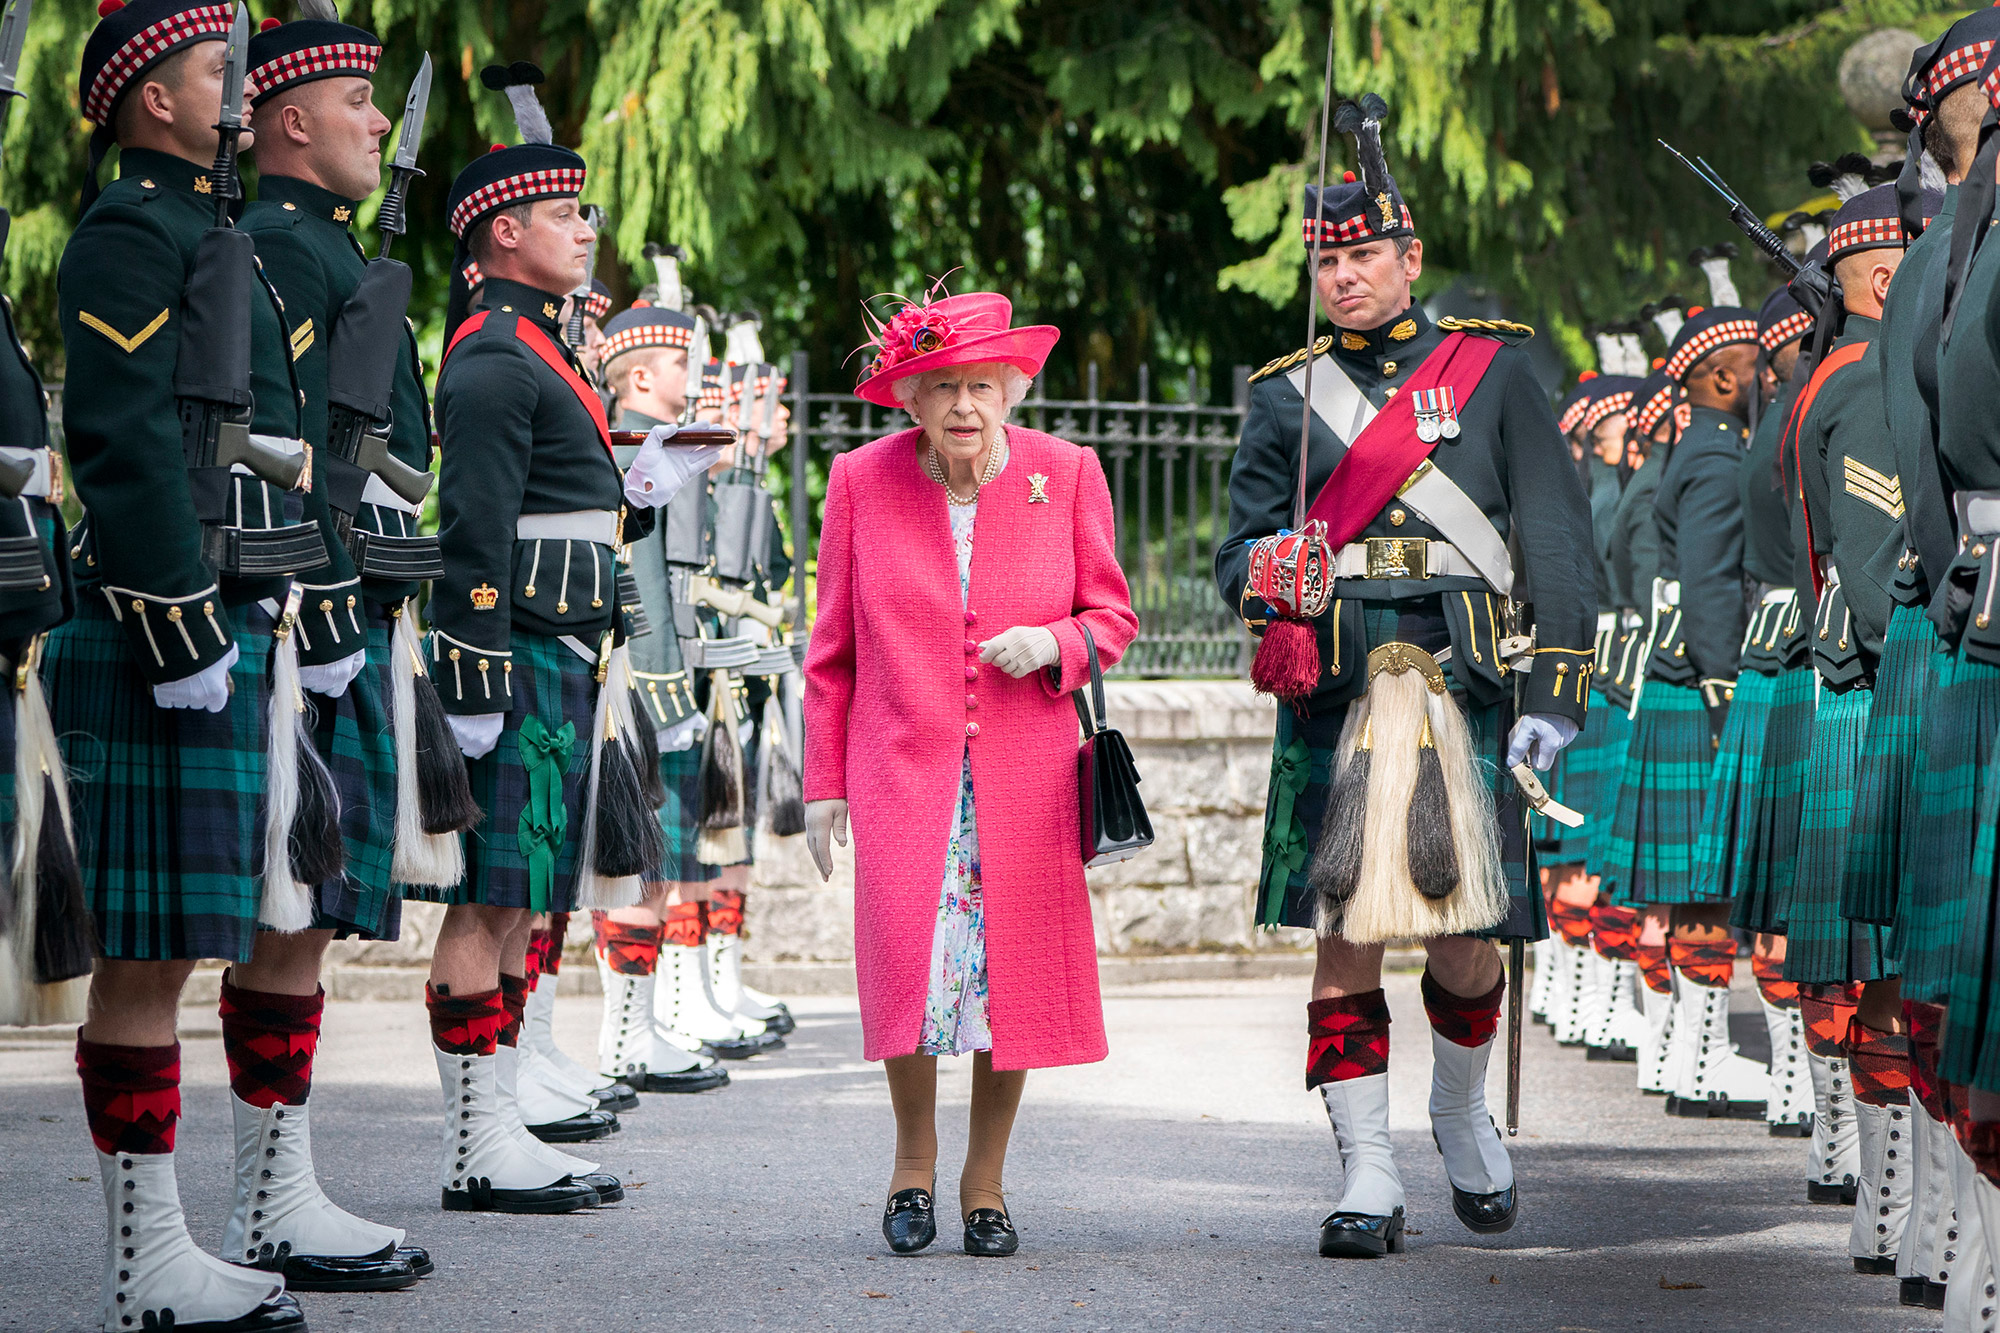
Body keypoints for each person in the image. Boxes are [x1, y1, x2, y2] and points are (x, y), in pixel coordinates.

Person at [1216, 97, 1594, 1259]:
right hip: (1335, 687)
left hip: (1465, 679)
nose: (1342, 277)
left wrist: (1554, 698)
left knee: (1466, 926)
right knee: (1343, 930)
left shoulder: (1492, 371)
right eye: (1324, 260)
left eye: (1362, 255)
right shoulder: (1286, 392)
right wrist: (1271, 571)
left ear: (1408, 257)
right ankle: (1366, 1167)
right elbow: (1233, 553)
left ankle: (1456, 1109)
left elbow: (1560, 543)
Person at [49, 1, 367, 1326]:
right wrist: (180, 621)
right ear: (151, 101)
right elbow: (122, 438)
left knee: (207, 938)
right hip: (159, 627)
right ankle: (143, 1262)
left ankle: (192, 1237)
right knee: (148, 957)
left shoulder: (213, 230)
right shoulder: (134, 231)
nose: (234, 96)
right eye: (207, 75)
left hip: (245, 611)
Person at [416, 62, 711, 1215]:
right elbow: (473, 530)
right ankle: (473, 1145)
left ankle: (497, 1128)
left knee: (520, 895)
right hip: (518, 649)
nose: (584, 230)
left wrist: (646, 477)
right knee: (487, 902)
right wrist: (471, 672)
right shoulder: (493, 351)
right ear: (501, 230)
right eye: (560, 214)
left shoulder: (542, 346)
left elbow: (576, 504)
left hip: (566, 644)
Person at [802, 287, 1136, 1258]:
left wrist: (1056, 642)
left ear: (1010, 390)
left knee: (1006, 980)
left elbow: (1112, 618)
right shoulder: (860, 481)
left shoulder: (1064, 473)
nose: (961, 405)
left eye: (980, 386)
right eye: (940, 386)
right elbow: (830, 654)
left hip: (1026, 783)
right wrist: (823, 782)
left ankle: (983, 1184)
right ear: (908, 398)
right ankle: (912, 1165)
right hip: (900, 772)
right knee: (911, 967)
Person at [229, 13, 445, 1292]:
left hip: (346, 597)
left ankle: (279, 1190)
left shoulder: (332, 253)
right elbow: (275, 432)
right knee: (285, 910)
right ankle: (270, 1201)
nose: (377, 122)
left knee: (303, 916)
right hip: (298, 604)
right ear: (289, 120)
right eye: (354, 100)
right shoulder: (268, 245)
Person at [1603, 299, 1770, 1118]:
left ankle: (1684, 1055)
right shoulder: (1714, 457)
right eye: (1755, 365)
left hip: (1675, 676)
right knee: (1703, 889)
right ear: (1721, 377)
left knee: (1691, 888)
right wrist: (1724, 688)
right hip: (1700, 678)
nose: (1767, 377)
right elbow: (1708, 584)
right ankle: (1699, 1062)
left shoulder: (1698, 449)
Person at [589, 300, 733, 1093]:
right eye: (682, 363)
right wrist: (659, 683)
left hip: (667, 676)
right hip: (647, 680)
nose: (693, 376)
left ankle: (645, 1027)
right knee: (643, 864)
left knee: (666, 861)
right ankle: (625, 1037)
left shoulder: (663, 442)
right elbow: (639, 580)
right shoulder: (635, 442)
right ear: (641, 373)